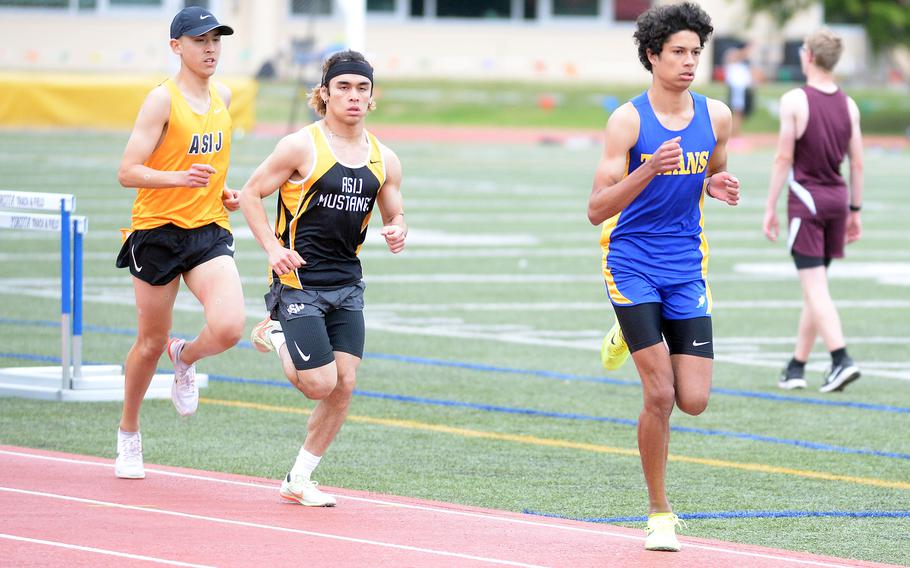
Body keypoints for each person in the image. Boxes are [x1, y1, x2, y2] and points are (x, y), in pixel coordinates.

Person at [587, 2, 740, 552]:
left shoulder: (717, 115)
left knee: (694, 399)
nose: (689, 61)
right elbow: (596, 208)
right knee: (660, 394)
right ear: (652, 56)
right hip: (630, 260)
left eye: (696, 52)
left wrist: (714, 186)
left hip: (686, 263)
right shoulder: (627, 121)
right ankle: (659, 513)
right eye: (678, 51)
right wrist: (649, 167)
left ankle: (628, 334)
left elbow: (715, 168)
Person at [239, 50, 406, 507]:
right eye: (344, 87)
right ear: (325, 93)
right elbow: (251, 193)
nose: (354, 96)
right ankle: (275, 333)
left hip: (348, 283)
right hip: (300, 283)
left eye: (362, 88)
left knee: (344, 385)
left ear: (372, 98)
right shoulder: (301, 146)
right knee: (319, 384)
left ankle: (299, 478)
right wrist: (273, 249)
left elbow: (394, 208)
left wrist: (398, 228)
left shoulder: (384, 157)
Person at [113, 7, 245, 479]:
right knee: (148, 342)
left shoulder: (224, 95)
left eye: (216, 40)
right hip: (158, 231)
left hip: (207, 228)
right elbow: (128, 171)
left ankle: (184, 357)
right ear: (177, 47)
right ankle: (129, 432)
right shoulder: (161, 101)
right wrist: (179, 179)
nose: (210, 49)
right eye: (199, 40)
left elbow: (211, 162)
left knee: (230, 326)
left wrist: (222, 193)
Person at [763, 28, 863, 393]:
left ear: (808, 57)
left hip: (807, 201)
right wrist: (855, 209)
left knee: (816, 289)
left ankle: (840, 359)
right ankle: (796, 366)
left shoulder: (794, 100)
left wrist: (770, 206)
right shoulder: (848, 104)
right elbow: (858, 163)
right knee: (815, 286)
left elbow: (783, 157)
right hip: (837, 199)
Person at [723, 41, 755, 139]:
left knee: (741, 111)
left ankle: (736, 131)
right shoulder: (733, 54)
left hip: (742, 89)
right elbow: (739, 55)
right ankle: (734, 132)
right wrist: (749, 48)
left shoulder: (742, 63)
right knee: (737, 110)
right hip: (737, 89)